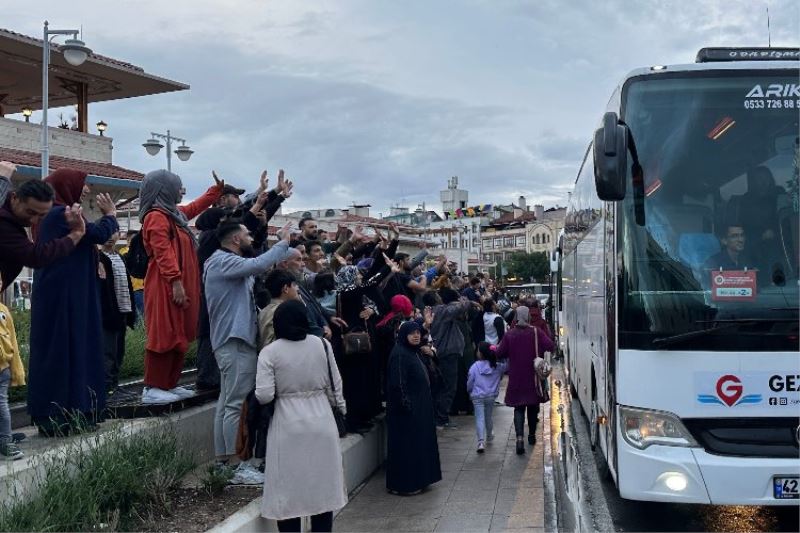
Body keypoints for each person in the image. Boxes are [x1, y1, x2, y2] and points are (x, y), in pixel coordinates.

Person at [28, 169, 118, 436]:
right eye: (81, 185)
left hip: (67, 292)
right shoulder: (58, 213)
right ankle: (66, 412)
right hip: (67, 295)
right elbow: (98, 234)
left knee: (70, 349)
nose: (86, 190)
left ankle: (71, 410)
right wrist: (111, 214)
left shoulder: (55, 214)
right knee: (69, 349)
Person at [204, 221, 292, 482]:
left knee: (226, 402)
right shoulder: (222, 261)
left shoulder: (223, 262)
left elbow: (255, 265)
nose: (250, 237)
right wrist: (283, 243)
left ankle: (224, 462)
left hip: (231, 340)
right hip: (234, 341)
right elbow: (257, 264)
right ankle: (236, 465)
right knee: (234, 403)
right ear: (235, 239)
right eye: (247, 234)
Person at [255, 300, 347, 532]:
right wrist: (342, 410)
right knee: (322, 493)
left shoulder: (270, 353)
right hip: (322, 422)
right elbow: (335, 385)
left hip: (287, 425)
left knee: (288, 494)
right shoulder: (322, 345)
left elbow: (264, 395)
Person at [139, 169, 223, 404]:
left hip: (180, 283)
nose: (182, 190)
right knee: (164, 333)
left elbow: (195, 207)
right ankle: (153, 386)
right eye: (178, 186)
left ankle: (169, 384)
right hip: (166, 283)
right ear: (164, 189)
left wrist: (215, 192)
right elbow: (162, 252)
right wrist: (175, 281)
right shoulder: (156, 216)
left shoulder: (173, 214)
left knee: (181, 332)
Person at [0, 165, 86, 291]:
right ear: (14, 198)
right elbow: (36, 256)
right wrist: (77, 233)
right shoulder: (4, 223)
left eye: (42, 216)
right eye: (30, 212)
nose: (34, 220)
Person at [385, 320, 442, 495]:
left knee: (420, 445)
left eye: (418, 332)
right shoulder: (400, 354)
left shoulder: (413, 352)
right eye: (412, 333)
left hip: (420, 408)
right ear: (404, 335)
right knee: (408, 448)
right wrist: (407, 406)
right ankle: (406, 484)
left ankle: (421, 479)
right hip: (408, 412)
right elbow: (398, 384)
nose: (416, 335)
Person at [496, 306, 554, 455]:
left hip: (516, 377)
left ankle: (519, 439)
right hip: (533, 377)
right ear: (528, 317)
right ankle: (532, 436)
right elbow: (550, 346)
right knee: (533, 407)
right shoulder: (536, 332)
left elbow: (500, 352)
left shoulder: (510, 334)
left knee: (519, 408)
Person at [98, 231, 137, 394]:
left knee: (118, 351)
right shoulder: (98, 258)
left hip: (123, 311)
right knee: (108, 351)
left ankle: (114, 385)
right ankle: (107, 388)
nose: (109, 236)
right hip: (108, 313)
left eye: (113, 232)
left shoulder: (120, 257)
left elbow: (128, 284)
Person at [426, 288, 472, 428]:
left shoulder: (433, 311)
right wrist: (464, 299)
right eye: (437, 294)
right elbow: (461, 307)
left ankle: (440, 416)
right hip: (447, 352)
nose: (440, 296)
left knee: (442, 386)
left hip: (441, 351)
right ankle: (442, 418)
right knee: (448, 387)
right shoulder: (440, 310)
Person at [0, 271, 26, 459]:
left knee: (1, 404)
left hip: (2, 368)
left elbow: (14, 344)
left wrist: (17, 372)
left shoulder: (4, 311)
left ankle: (6, 440)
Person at [467, 342, 507, 454]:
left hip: (477, 396)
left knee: (479, 417)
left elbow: (470, 381)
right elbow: (508, 365)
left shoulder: (474, 367)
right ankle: (489, 435)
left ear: (480, 353)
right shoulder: (496, 366)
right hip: (490, 396)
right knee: (488, 416)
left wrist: (469, 391)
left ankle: (480, 442)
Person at [259, 269, 302, 350]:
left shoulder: (265, 311)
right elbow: (269, 343)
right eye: (294, 285)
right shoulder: (282, 312)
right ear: (286, 288)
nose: (297, 288)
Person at [121, 230, 145, 323]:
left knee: (141, 315)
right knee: (140, 316)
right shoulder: (124, 252)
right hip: (135, 288)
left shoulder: (140, 251)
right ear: (128, 240)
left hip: (141, 288)